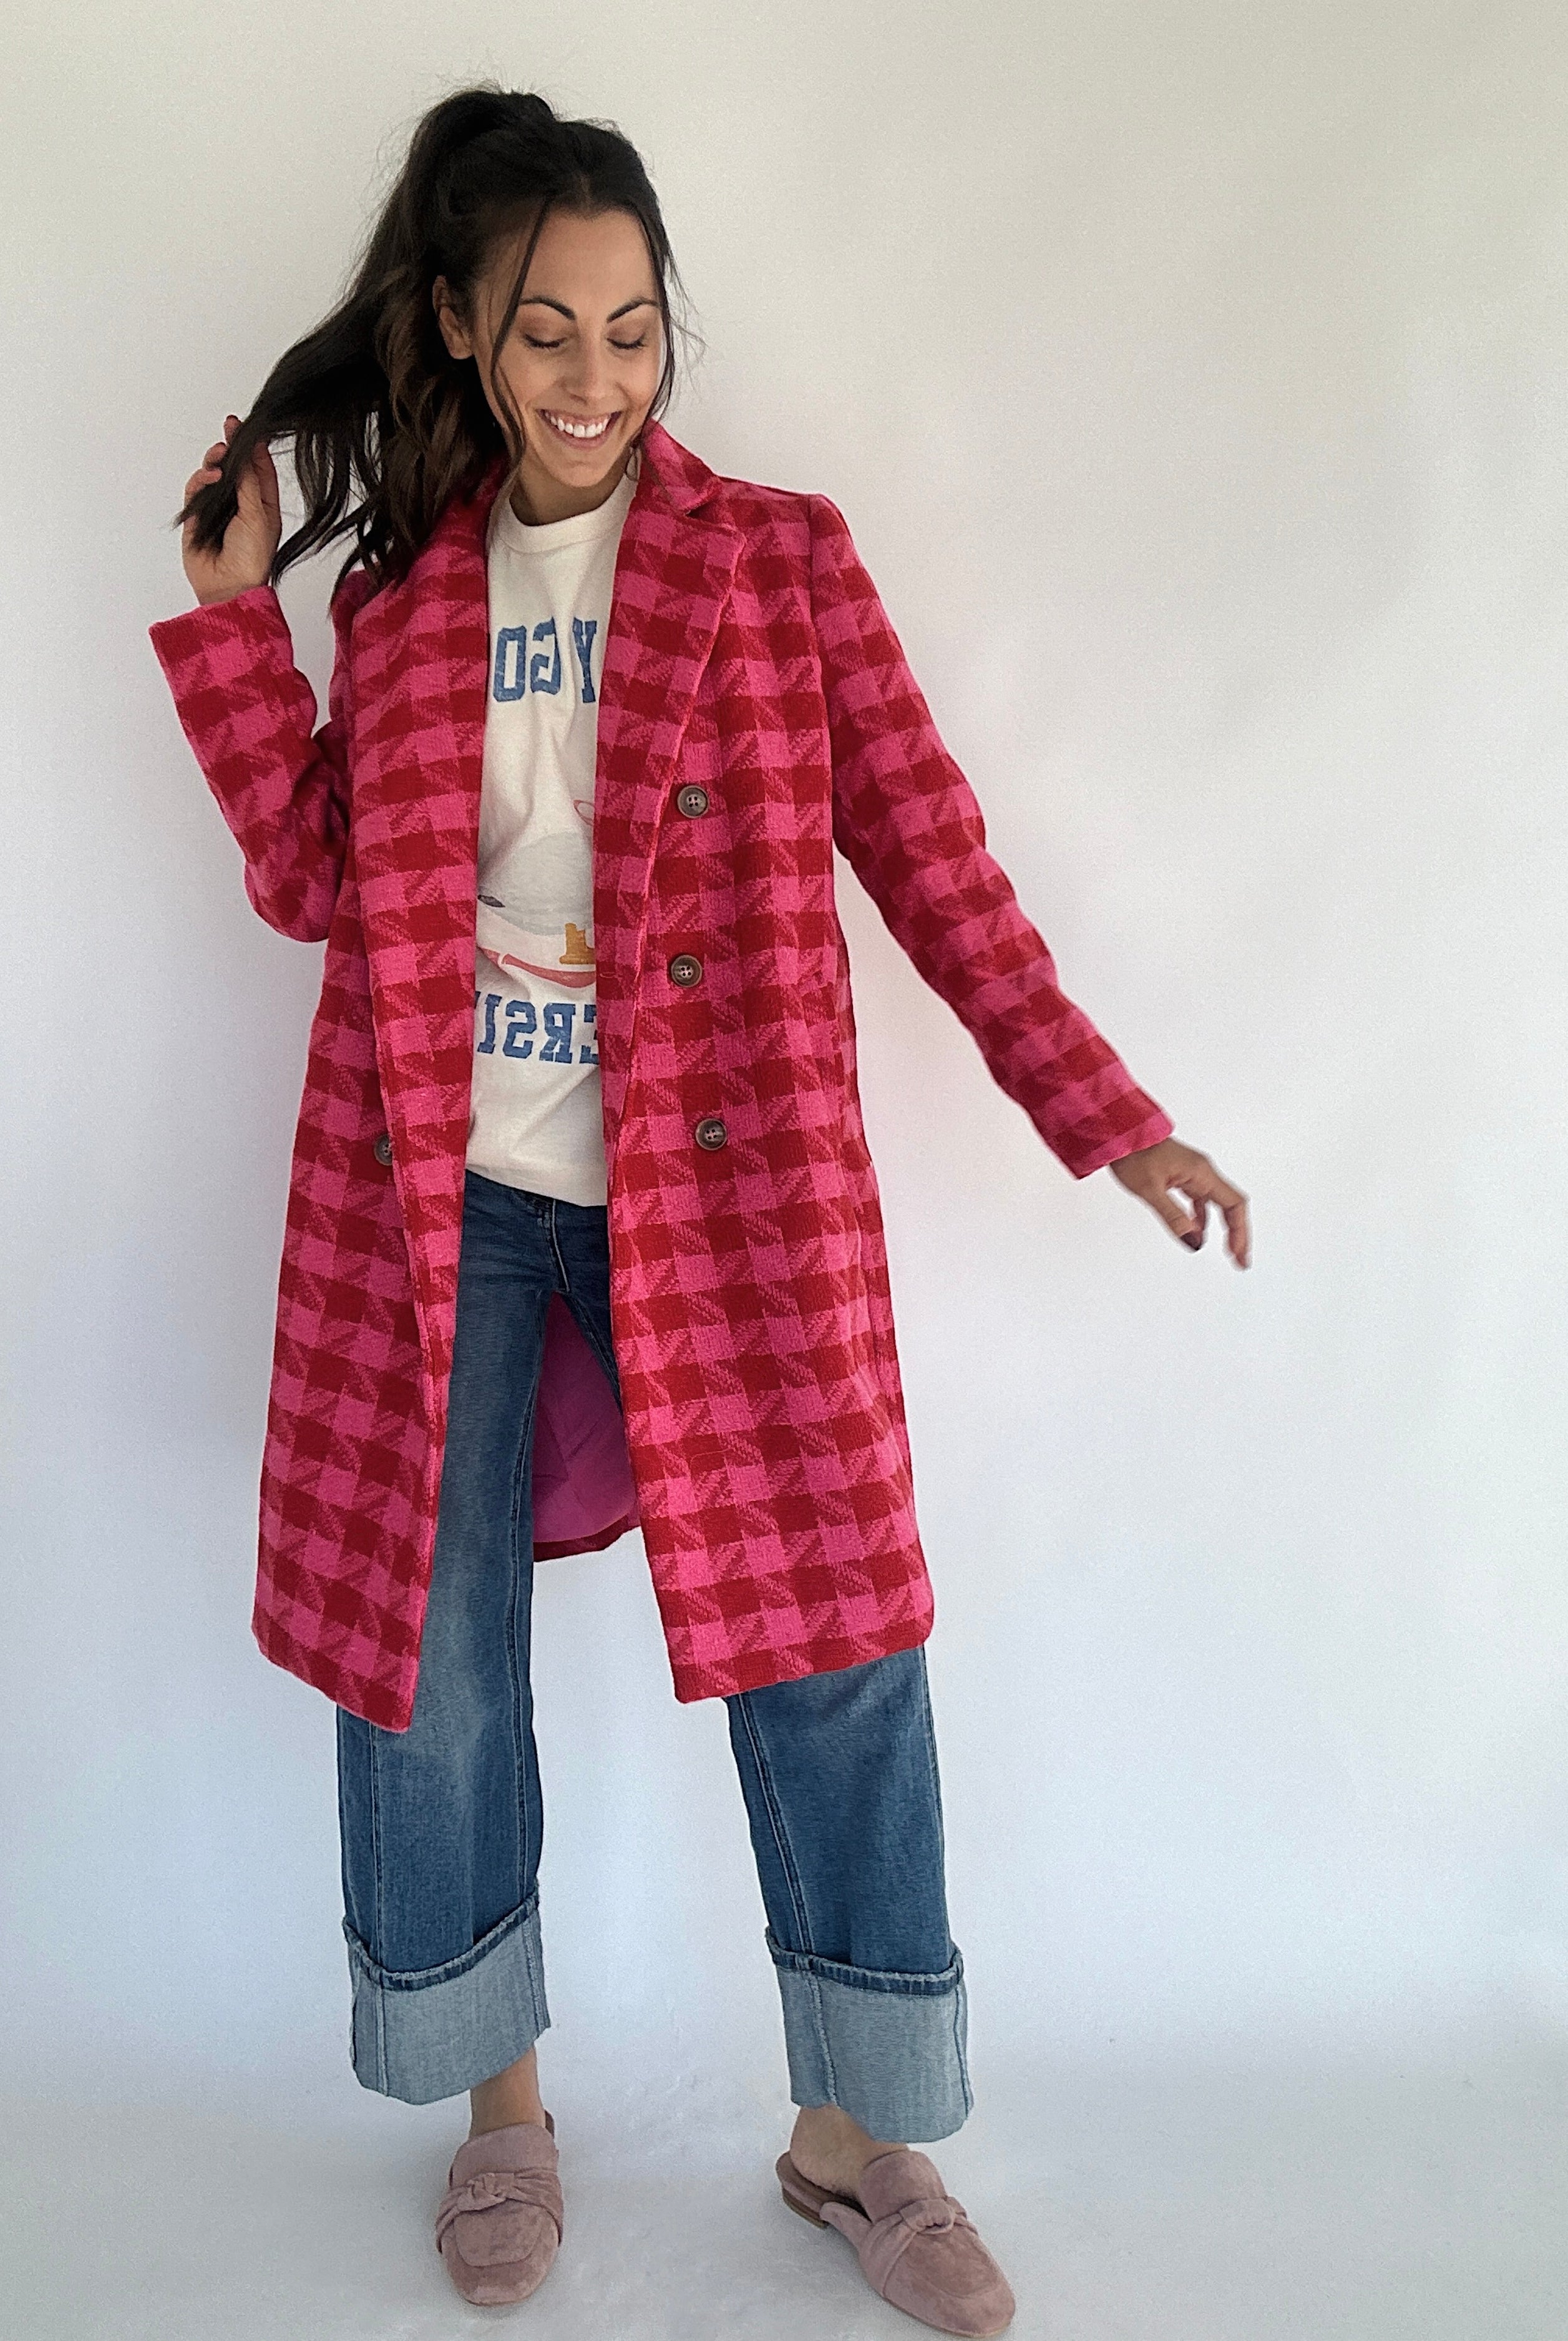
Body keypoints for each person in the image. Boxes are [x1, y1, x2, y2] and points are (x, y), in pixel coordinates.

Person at [150, 82, 1250, 2337]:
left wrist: (1100, 1112)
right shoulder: (400, 598)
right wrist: (232, 623)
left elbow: (932, 865)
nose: (591, 380)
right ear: (456, 333)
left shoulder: (779, 569)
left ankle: (859, 2142)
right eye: (544, 332)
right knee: (433, 1681)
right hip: (440, 1208)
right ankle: (501, 2111)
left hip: (727, 1212)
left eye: (633, 331)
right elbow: (313, 888)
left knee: (838, 1653)